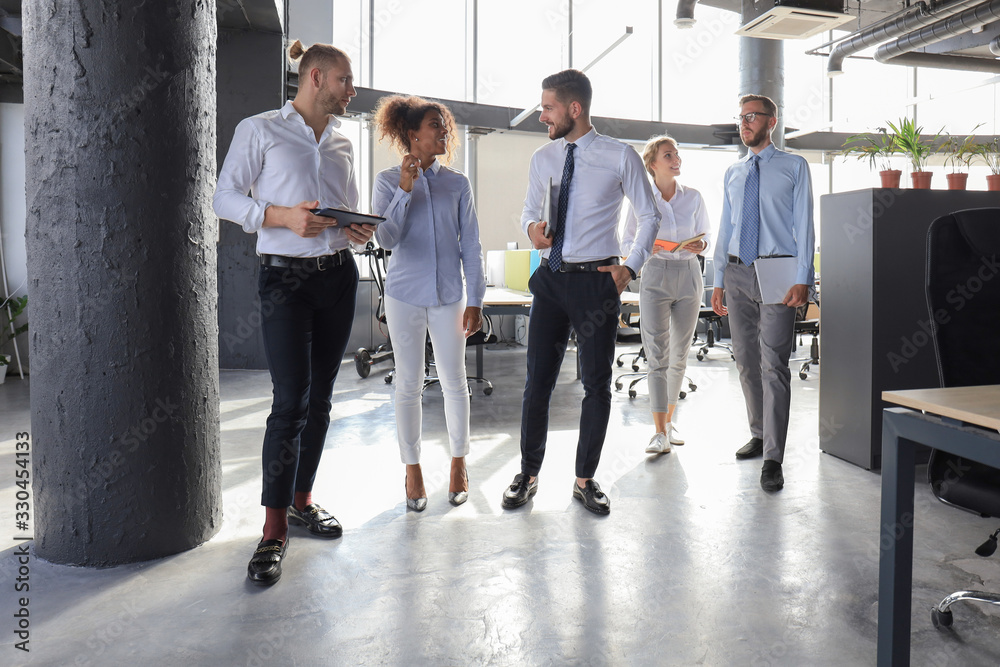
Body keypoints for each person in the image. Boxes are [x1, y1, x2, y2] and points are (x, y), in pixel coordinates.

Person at [213, 40, 375, 586]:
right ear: (317, 78)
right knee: (290, 404)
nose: (352, 91)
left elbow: (342, 208)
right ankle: (273, 528)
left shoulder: (344, 141)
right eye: (345, 81)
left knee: (323, 398)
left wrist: (354, 227)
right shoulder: (260, 129)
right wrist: (279, 216)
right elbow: (224, 198)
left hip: (337, 274)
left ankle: (303, 499)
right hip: (285, 278)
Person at [501, 69, 660, 515]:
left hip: (597, 281)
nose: (541, 117)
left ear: (575, 109)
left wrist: (629, 267)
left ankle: (585, 479)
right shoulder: (543, 158)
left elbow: (649, 216)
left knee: (596, 385)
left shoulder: (619, 156)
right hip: (551, 280)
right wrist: (533, 228)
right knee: (537, 384)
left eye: (547, 107)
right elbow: (529, 212)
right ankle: (528, 473)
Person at [370, 95, 486, 511]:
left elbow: (471, 245)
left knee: (455, 381)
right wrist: (405, 190)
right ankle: (412, 469)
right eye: (435, 125)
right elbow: (384, 239)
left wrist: (477, 297)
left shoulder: (458, 183)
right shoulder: (387, 180)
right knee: (409, 383)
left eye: (445, 125)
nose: (444, 131)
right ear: (412, 134)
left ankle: (458, 463)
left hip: (449, 297)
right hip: (404, 295)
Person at [711, 94, 815, 492]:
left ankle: (774, 457)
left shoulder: (794, 166)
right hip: (737, 272)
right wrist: (719, 277)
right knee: (745, 360)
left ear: (771, 122)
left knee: (774, 365)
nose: (744, 123)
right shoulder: (734, 172)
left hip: (779, 272)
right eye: (740, 118)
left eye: (752, 117)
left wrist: (804, 277)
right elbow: (726, 228)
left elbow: (804, 225)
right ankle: (759, 433)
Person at [621, 135, 711, 455]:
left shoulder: (694, 197)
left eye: (677, 154)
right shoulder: (642, 200)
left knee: (679, 356)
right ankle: (658, 432)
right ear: (652, 164)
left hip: (689, 275)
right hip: (656, 273)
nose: (676, 159)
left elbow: (706, 238)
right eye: (668, 154)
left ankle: (669, 424)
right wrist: (651, 246)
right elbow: (625, 243)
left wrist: (701, 245)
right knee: (657, 355)